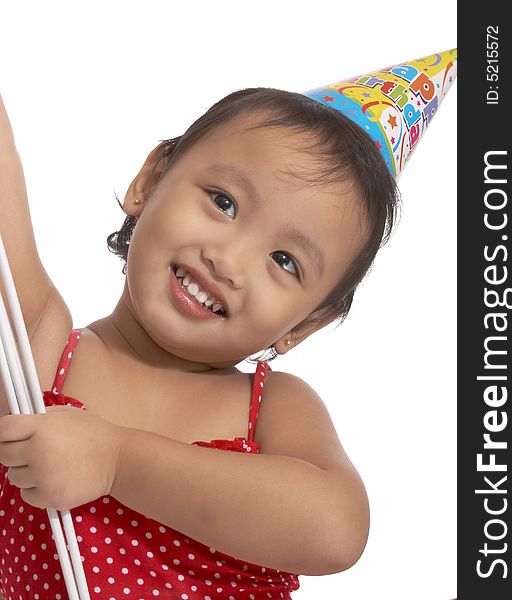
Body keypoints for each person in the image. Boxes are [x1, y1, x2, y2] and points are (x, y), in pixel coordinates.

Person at [0, 48, 456, 599]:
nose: (229, 260)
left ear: (305, 325)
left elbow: (336, 531)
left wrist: (116, 459)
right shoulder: (44, 353)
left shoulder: (272, 410)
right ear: (153, 177)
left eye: (284, 261)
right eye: (224, 202)